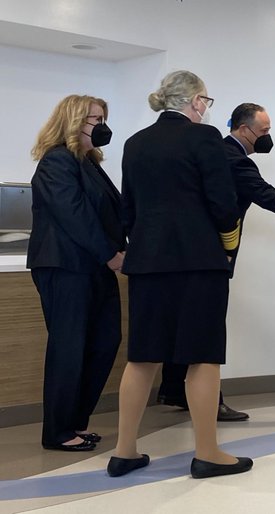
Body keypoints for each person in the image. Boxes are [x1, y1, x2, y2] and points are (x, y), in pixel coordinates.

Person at [157, 102, 275, 419]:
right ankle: (208, 402)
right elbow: (273, 199)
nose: (267, 137)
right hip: (210, 256)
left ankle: (177, 390)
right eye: (264, 131)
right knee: (206, 330)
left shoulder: (213, 151)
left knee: (184, 323)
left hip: (180, 254)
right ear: (243, 129)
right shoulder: (233, 160)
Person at [108, 70, 252, 479]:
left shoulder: (135, 143)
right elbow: (224, 204)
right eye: (207, 100)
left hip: (148, 262)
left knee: (142, 356)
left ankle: (124, 451)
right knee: (202, 357)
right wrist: (227, 247)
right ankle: (207, 452)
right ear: (196, 102)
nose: (207, 108)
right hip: (198, 260)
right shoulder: (205, 139)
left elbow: (128, 209)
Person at [27, 95, 124, 451]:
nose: (102, 127)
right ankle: (58, 432)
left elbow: (111, 211)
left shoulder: (89, 163)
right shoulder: (56, 161)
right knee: (70, 348)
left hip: (93, 267)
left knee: (104, 342)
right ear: (72, 122)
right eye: (94, 120)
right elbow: (74, 214)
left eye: (102, 119)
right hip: (66, 267)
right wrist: (111, 254)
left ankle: (74, 423)